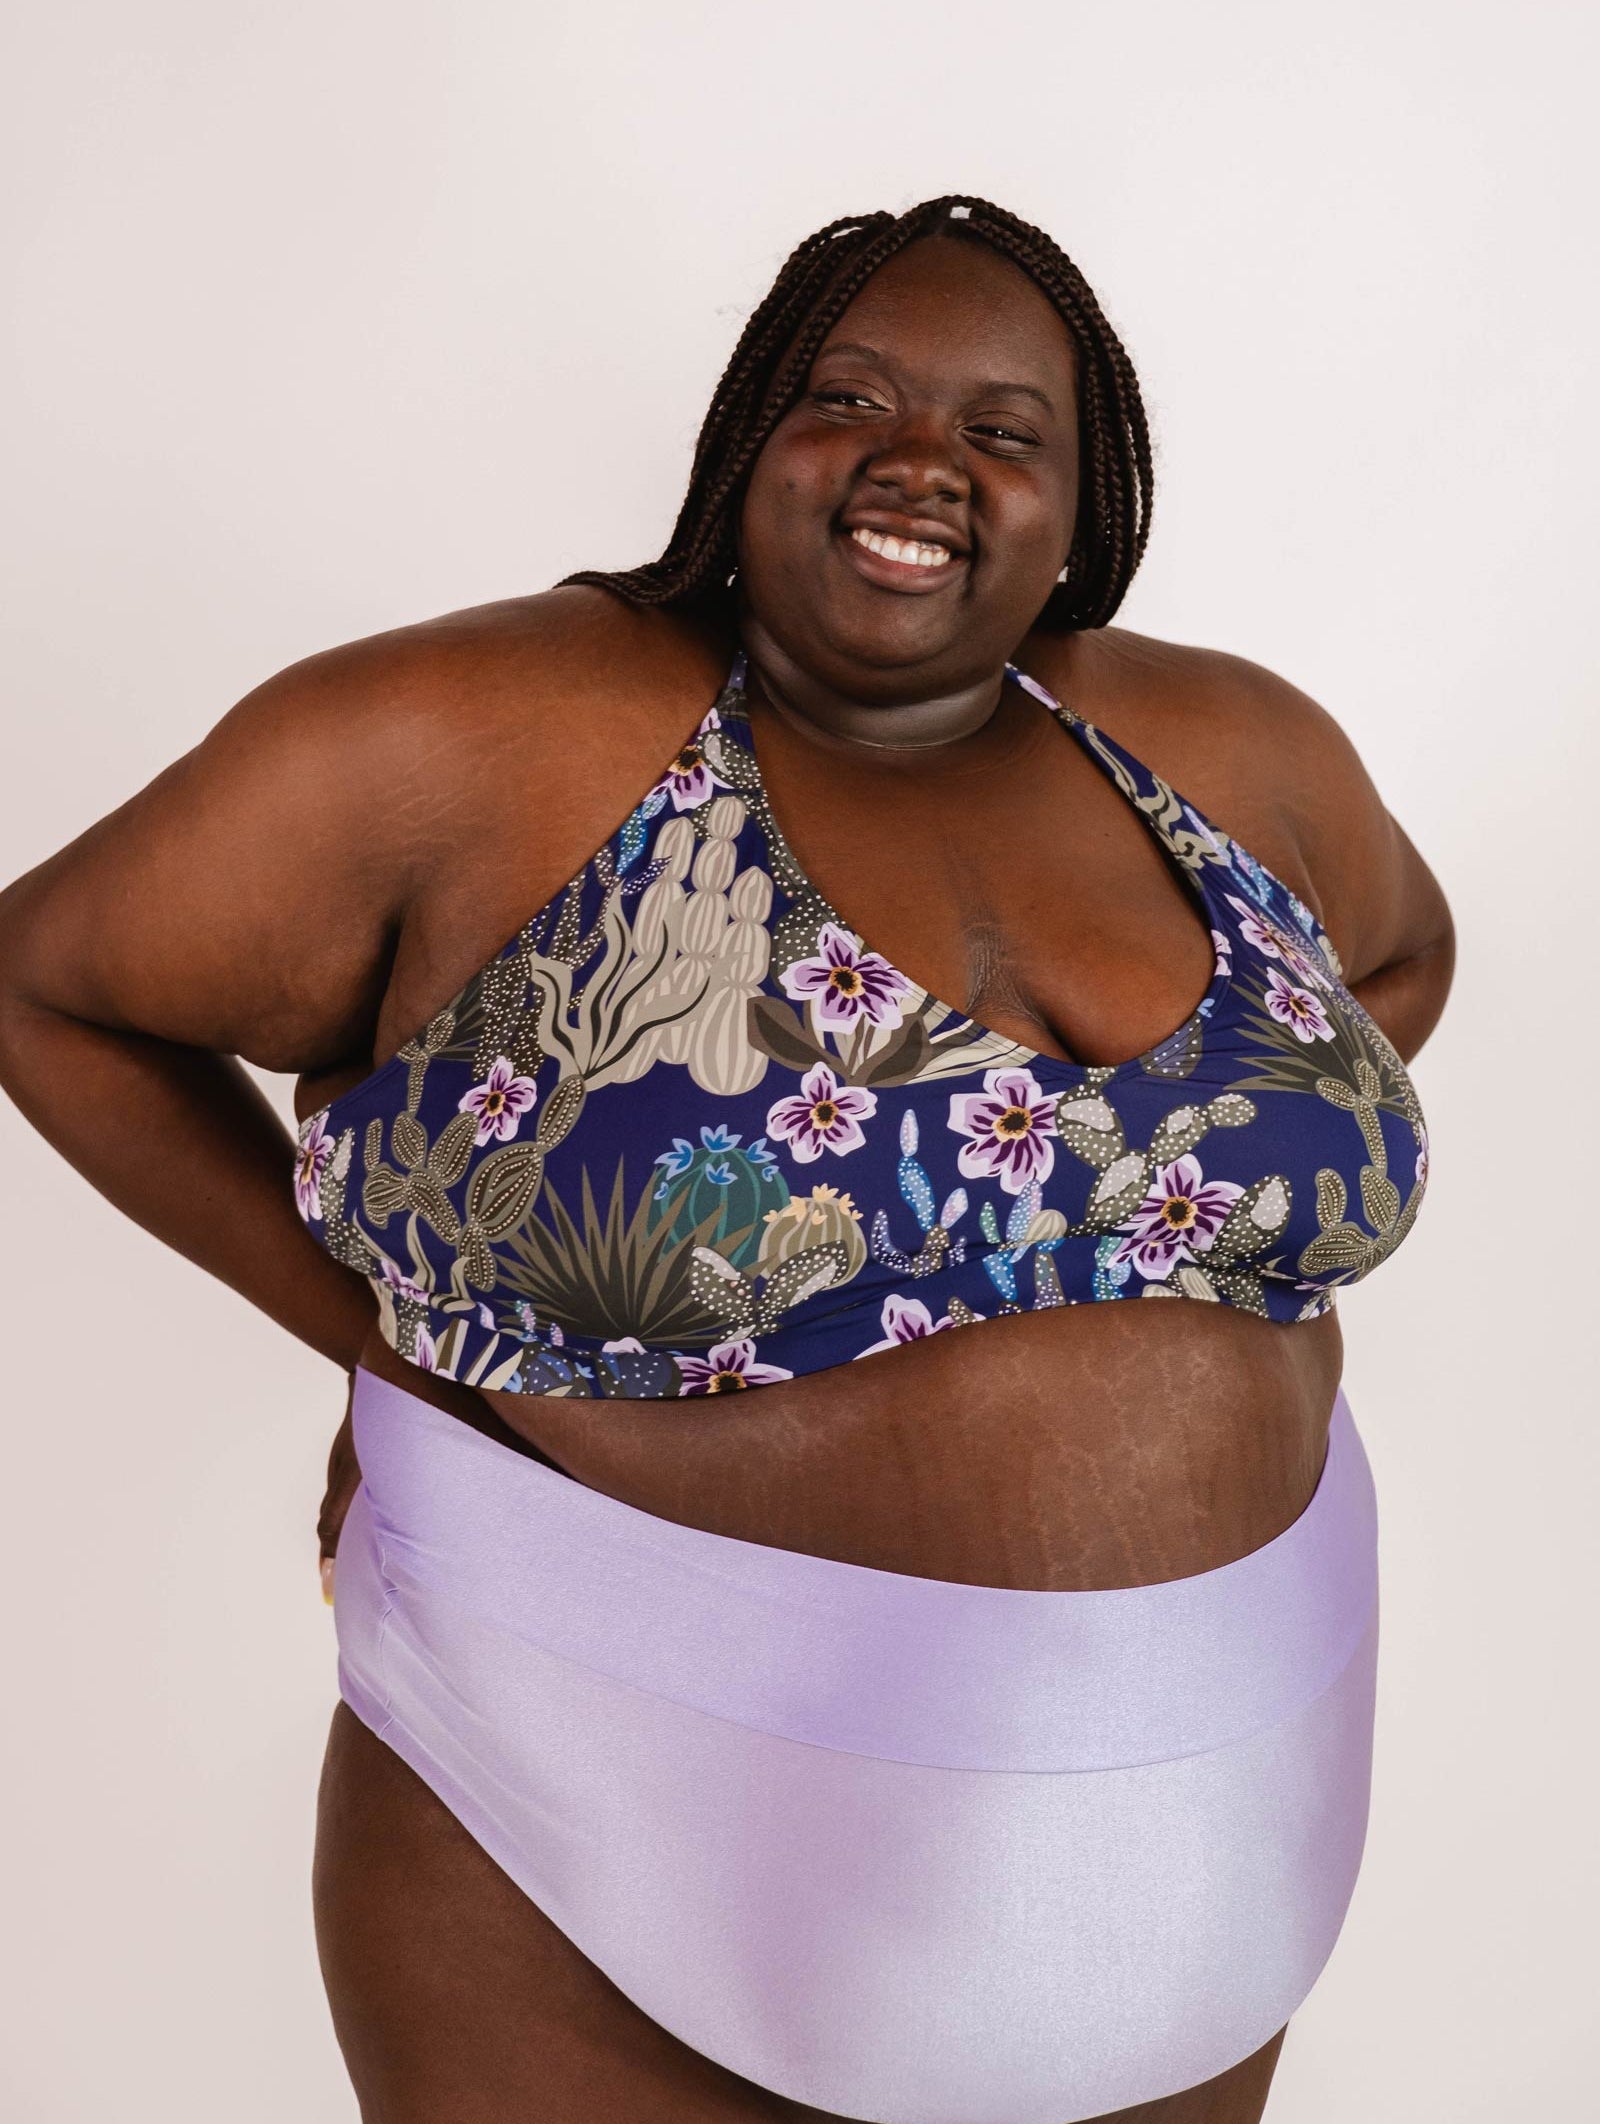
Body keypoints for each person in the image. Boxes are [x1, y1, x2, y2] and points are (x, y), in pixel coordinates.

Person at [0, 196, 1453, 2124]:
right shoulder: (496, 726)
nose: (922, 459)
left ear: (1081, 503)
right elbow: (52, 985)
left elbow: (1401, 958)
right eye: (850, 396)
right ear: (748, 434)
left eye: (1003, 431)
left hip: (1213, 1854)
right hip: (593, 1804)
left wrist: (1162, 1197)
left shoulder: (1217, 744)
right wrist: (390, 1337)